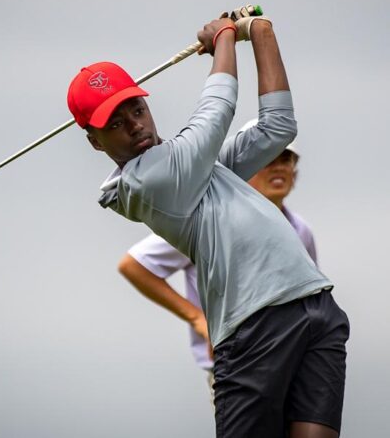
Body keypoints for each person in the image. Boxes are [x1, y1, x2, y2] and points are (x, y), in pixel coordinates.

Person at [66, 8, 349, 438]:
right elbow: (217, 110)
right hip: (253, 328)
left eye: (136, 111)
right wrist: (224, 38)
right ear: (95, 141)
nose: (134, 128)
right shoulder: (149, 180)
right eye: (115, 125)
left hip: (315, 306)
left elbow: (278, 126)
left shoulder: (198, 167)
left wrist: (260, 33)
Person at [117, 132, 318, 401]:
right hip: (235, 362)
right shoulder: (212, 219)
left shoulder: (300, 231)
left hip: (290, 362)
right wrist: (198, 319)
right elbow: (134, 265)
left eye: (286, 159)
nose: (279, 166)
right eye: (268, 159)